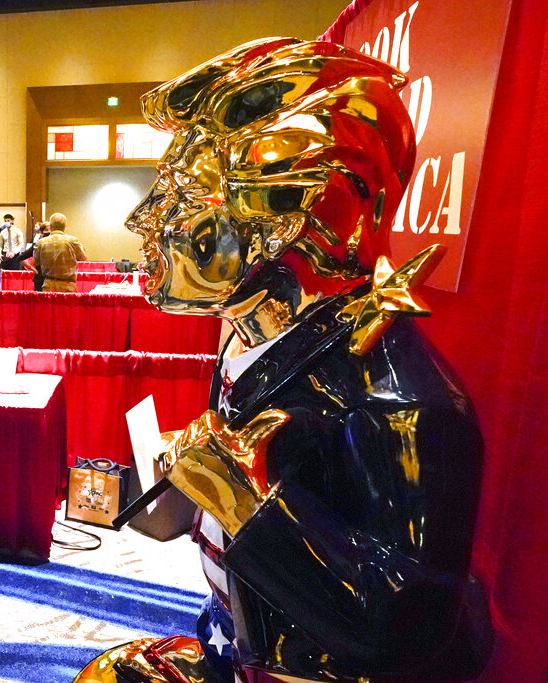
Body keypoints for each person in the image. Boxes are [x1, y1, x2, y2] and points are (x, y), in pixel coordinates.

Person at [77, 38, 492, 683]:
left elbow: (406, 635)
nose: (144, 218)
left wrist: (244, 500)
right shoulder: (253, 344)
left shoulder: (399, 402)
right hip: (237, 644)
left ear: (294, 217)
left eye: (188, 197)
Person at [33, 212, 86, 292]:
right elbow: (83, 257)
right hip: (68, 286)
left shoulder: (41, 243)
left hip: (48, 285)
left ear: (50, 226)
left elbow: (36, 262)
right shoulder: (73, 241)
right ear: (65, 226)